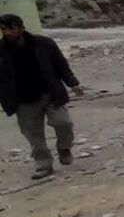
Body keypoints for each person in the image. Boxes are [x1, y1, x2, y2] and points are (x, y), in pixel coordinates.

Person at [0, 14, 82, 180]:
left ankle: (64, 148)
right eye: (3, 29)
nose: (7, 33)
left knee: (63, 123)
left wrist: (73, 83)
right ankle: (43, 164)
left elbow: (61, 64)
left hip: (50, 93)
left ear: (21, 28)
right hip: (23, 100)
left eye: (11, 28)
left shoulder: (44, 44)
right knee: (33, 134)